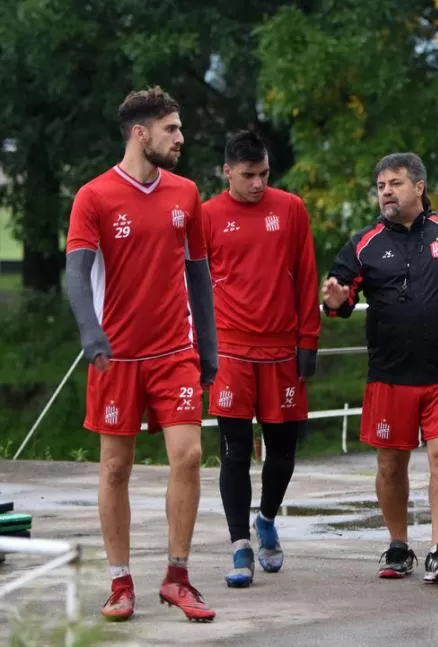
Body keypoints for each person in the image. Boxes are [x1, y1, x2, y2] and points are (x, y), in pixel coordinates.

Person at [64, 87, 218, 622]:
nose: (181, 138)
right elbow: (77, 274)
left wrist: (211, 349)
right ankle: (120, 582)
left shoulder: (186, 193)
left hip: (176, 350)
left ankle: (177, 577)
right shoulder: (95, 196)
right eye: (172, 129)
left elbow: (200, 276)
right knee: (115, 469)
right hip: (117, 357)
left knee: (190, 456)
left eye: (179, 128)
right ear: (141, 133)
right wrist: (90, 330)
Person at [321, 152, 438, 584]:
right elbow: (342, 298)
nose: (386, 191)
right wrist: (334, 301)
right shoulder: (363, 243)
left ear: (419, 188)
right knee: (391, 466)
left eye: (395, 183)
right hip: (389, 375)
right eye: (381, 185)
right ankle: (398, 545)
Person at [201, 130, 321, 588]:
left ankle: (267, 518)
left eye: (264, 174)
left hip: (281, 348)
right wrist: (199, 350)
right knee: (234, 453)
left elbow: (306, 275)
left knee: (283, 454)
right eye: (248, 175)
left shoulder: (289, 208)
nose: (257, 183)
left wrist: (308, 339)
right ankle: (239, 547)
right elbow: (192, 286)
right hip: (229, 349)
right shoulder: (207, 215)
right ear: (227, 171)